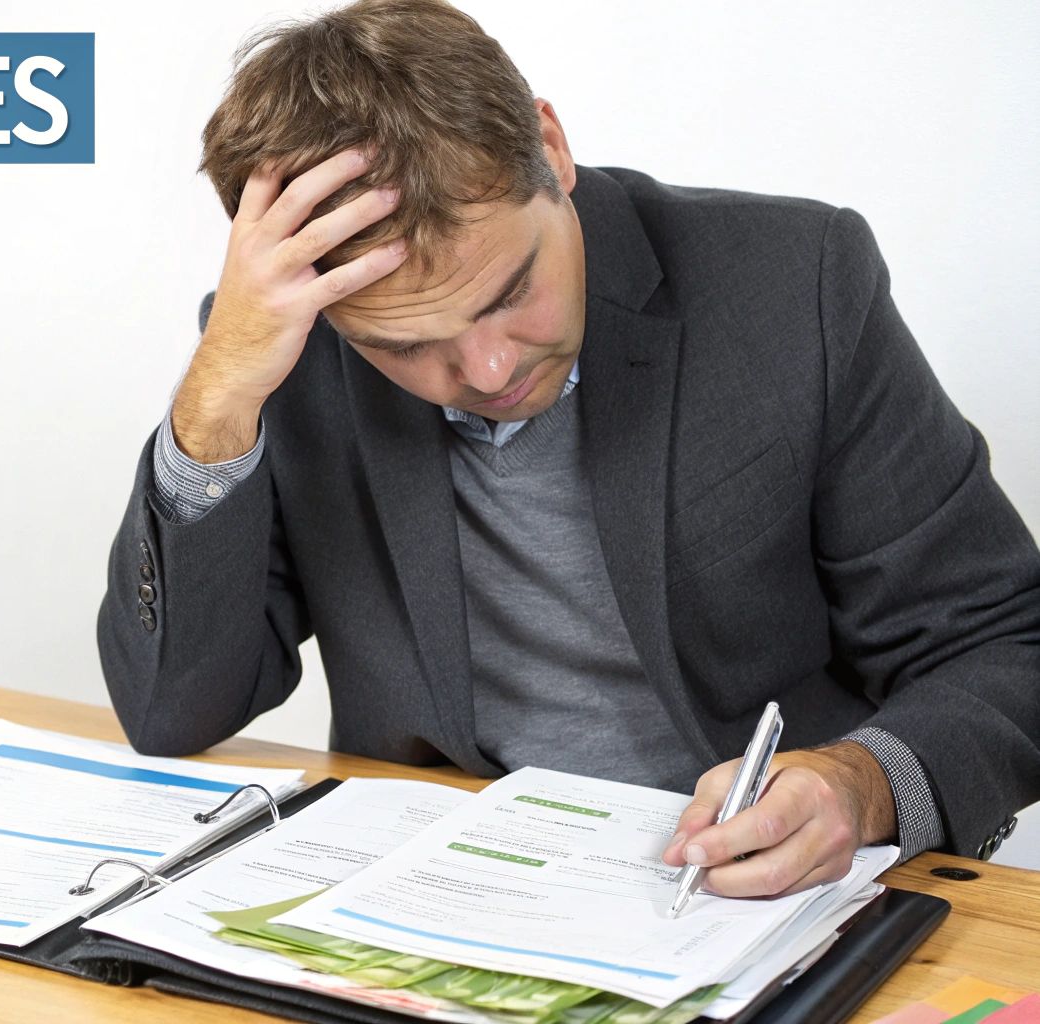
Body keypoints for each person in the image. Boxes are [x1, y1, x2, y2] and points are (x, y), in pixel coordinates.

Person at [97, 0, 1040, 898]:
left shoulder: (796, 283)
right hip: (441, 890)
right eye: (406, 345)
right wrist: (218, 396)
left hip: (756, 892)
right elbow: (175, 711)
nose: (488, 367)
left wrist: (861, 784)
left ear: (551, 149)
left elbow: (1004, 642)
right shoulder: (288, 346)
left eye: (510, 291)